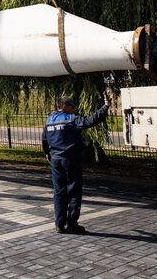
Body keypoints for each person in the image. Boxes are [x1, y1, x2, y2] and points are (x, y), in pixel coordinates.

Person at [42, 95, 110, 234]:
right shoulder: (71, 119)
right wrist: (105, 107)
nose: (74, 108)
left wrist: (47, 153)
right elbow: (91, 120)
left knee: (59, 192)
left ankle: (59, 224)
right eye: (72, 106)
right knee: (73, 190)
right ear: (64, 107)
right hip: (70, 159)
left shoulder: (49, 120)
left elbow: (44, 139)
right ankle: (72, 223)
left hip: (55, 159)